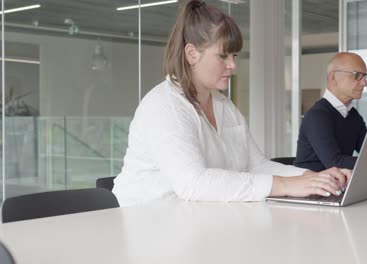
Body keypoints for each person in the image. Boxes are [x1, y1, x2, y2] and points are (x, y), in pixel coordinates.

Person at [113, 0, 351, 206]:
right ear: (191, 54)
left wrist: (314, 176)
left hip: (197, 222)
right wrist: (284, 184)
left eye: (234, 55)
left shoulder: (224, 106)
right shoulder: (165, 107)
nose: (232, 65)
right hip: (147, 226)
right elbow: (193, 183)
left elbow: (256, 165)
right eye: (223, 55)